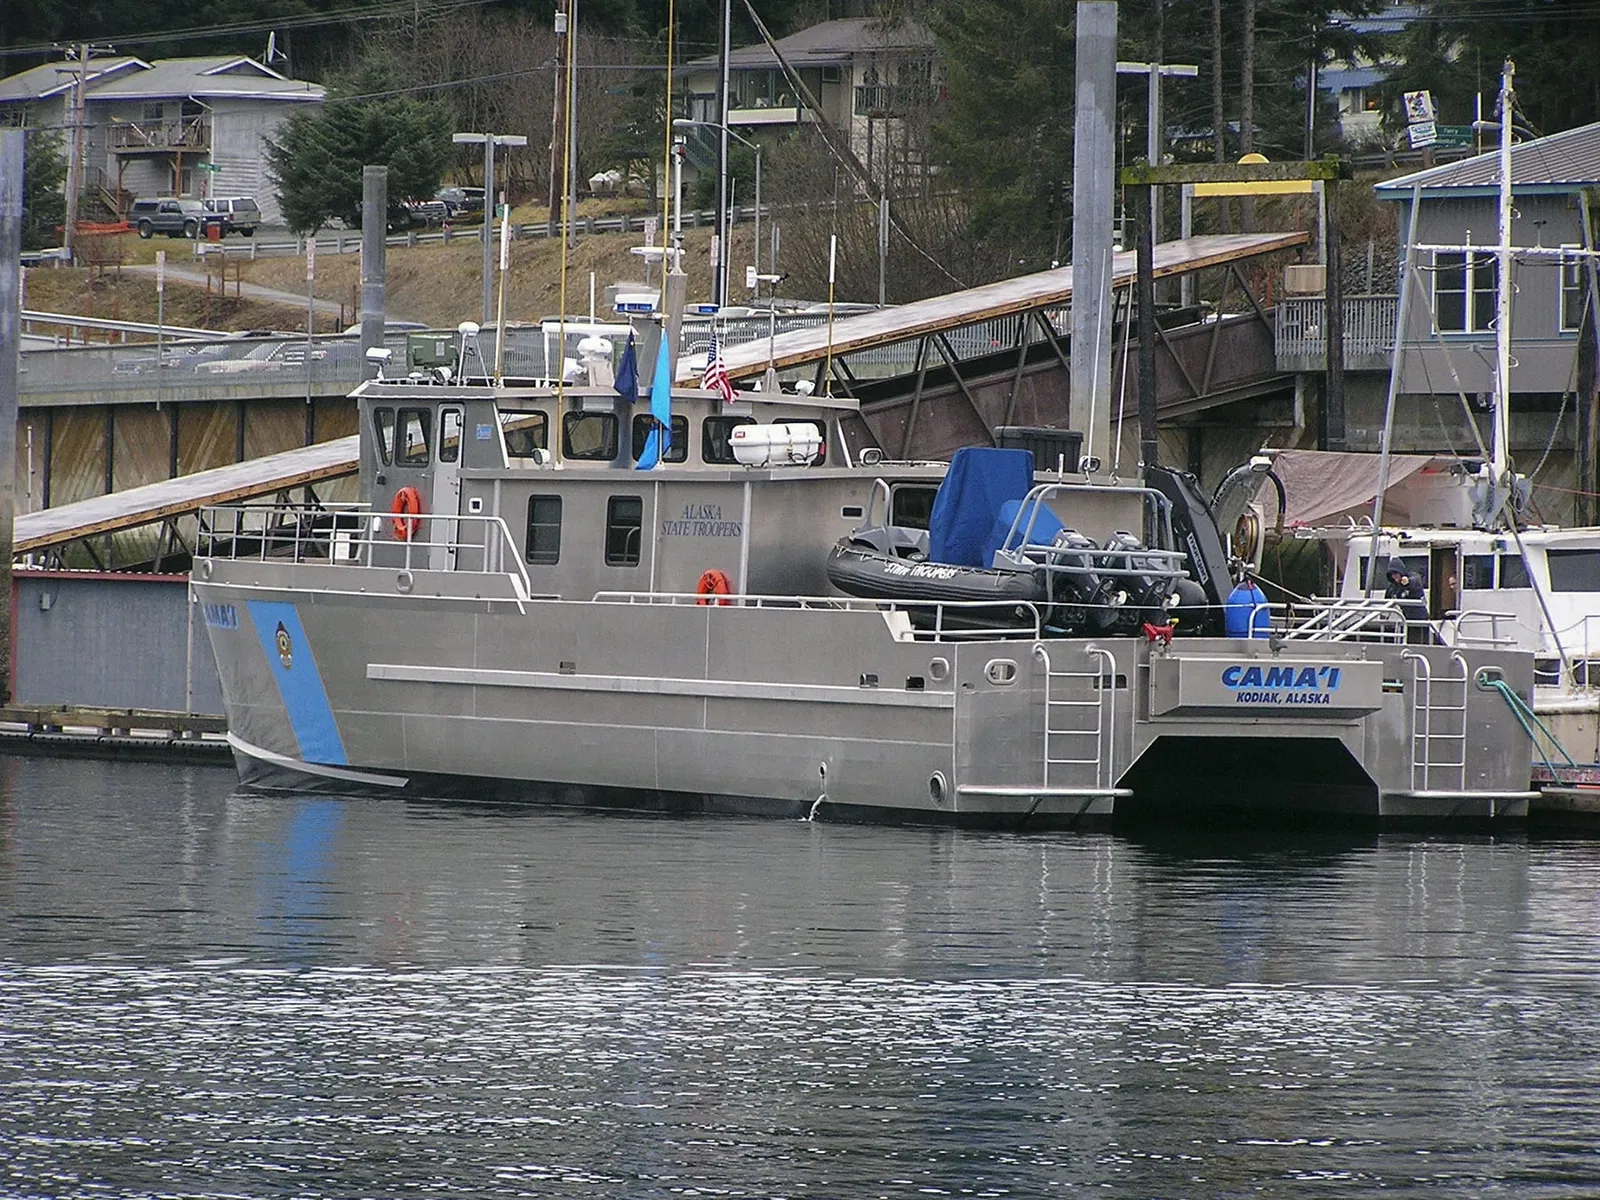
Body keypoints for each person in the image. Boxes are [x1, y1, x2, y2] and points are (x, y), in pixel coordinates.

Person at [1383, 556, 1429, 642]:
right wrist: (1383, 617)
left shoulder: (1413, 577)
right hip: (1405, 620)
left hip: (1420, 620)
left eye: (1396, 573)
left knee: (1419, 642)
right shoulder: (1392, 586)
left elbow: (1416, 581)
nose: (1394, 576)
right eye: (1392, 574)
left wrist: (1408, 582)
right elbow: (1386, 601)